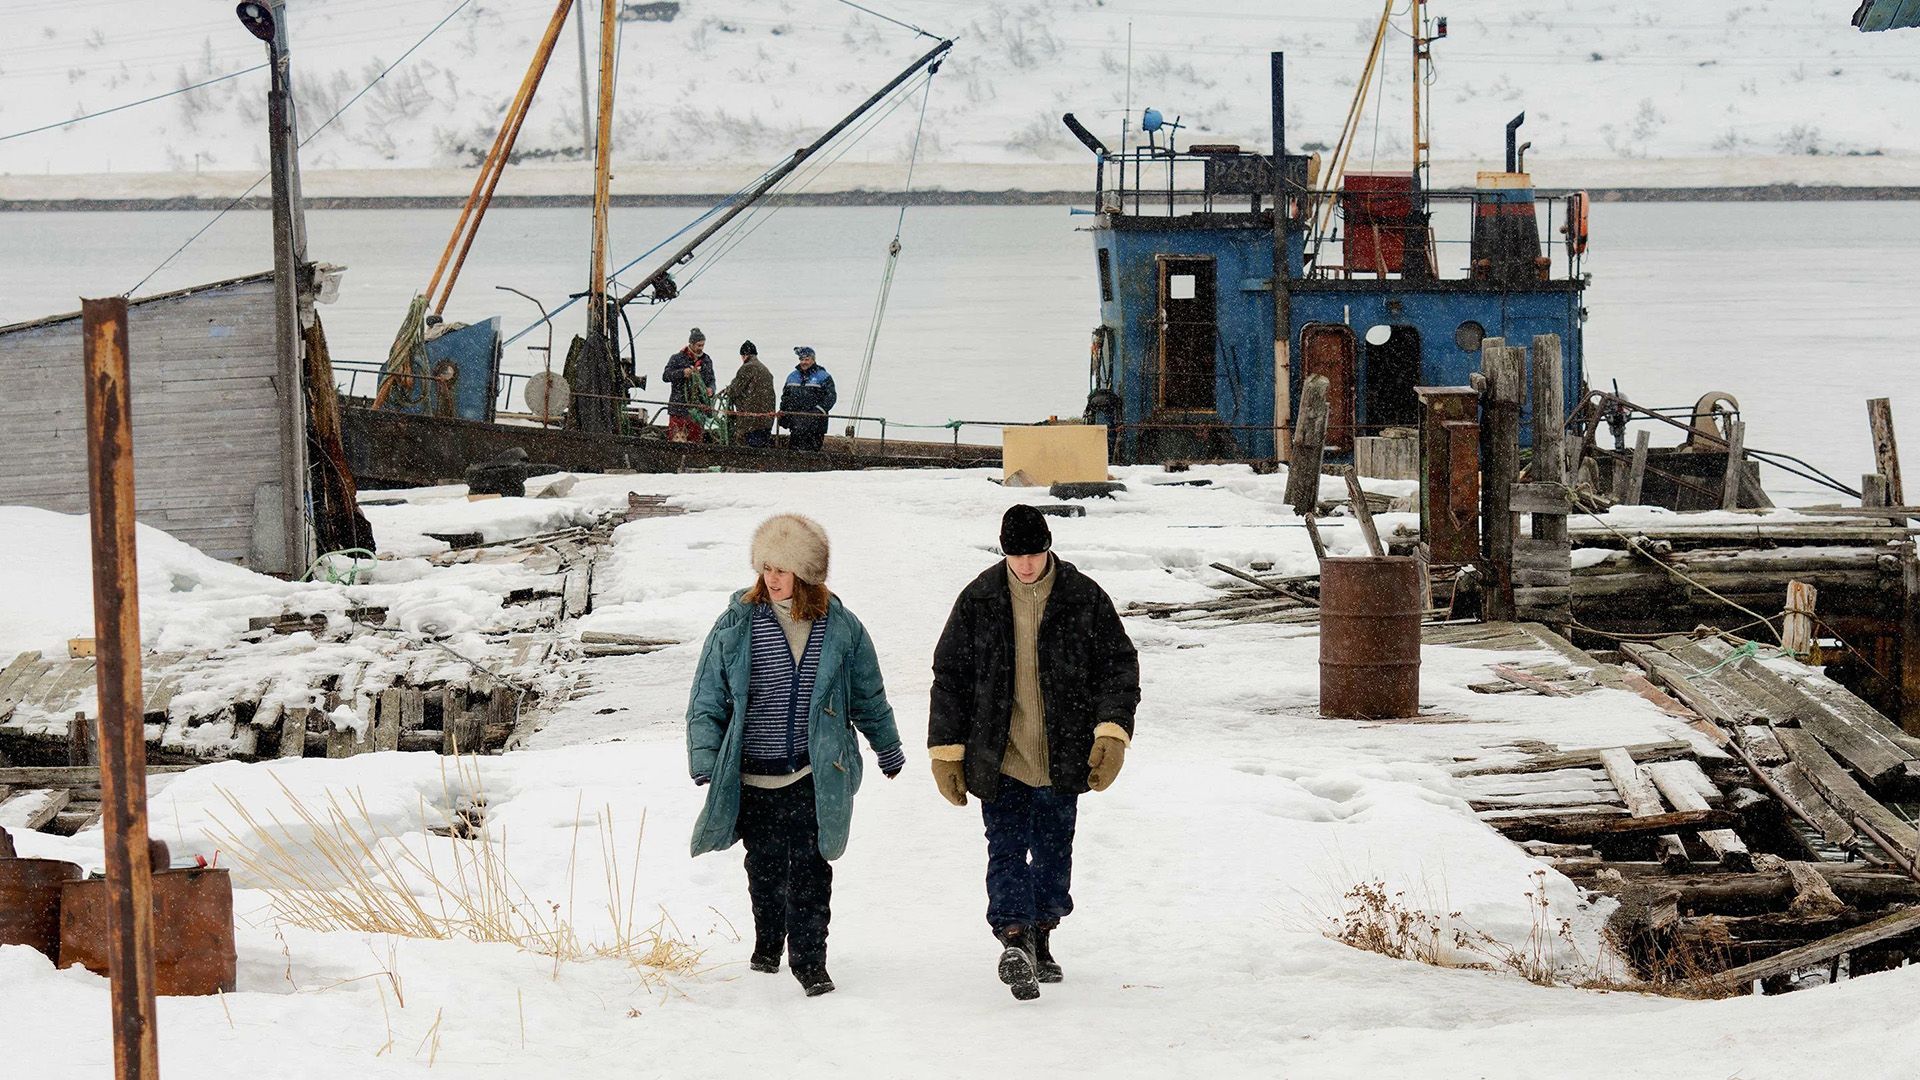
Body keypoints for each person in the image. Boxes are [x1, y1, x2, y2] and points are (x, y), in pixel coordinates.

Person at [686, 514, 906, 996]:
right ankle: (768, 943)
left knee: (810, 869)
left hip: (814, 771)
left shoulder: (841, 628)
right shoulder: (737, 624)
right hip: (754, 775)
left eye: (782, 569)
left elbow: (869, 694)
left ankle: (810, 961)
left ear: (805, 573)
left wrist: (886, 746)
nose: (772, 577)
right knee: (763, 868)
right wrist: (705, 757)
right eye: (766, 567)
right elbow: (708, 696)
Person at [927, 504, 1140, 1002]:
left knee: (1051, 853)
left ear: (1048, 547)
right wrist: (946, 750)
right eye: (1014, 554)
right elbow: (950, 678)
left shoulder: (1081, 596)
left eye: (1033, 553)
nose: (1024, 564)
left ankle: (1042, 934)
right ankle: (1015, 940)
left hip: (1064, 756)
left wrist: (1111, 732)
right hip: (999, 755)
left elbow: (1118, 667)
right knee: (1004, 850)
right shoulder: (979, 599)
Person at [663, 328, 716, 443]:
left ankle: (693, 461)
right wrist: (682, 373)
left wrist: (711, 389)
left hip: (697, 411)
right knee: (674, 442)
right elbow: (666, 376)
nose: (701, 348)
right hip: (678, 409)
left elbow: (711, 380)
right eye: (698, 345)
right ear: (691, 344)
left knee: (695, 443)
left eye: (703, 345)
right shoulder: (677, 358)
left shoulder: (706, 360)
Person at [779, 346, 837, 452]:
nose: (804, 362)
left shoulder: (823, 377)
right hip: (796, 424)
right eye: (801, 359)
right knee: (794, 453)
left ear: (813, 360)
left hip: (816, 425)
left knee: (812, 453)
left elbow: (831, 397)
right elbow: (785, 397)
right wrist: (784, 413)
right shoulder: (792, 376)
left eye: (807, 359)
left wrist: (817, 411)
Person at [722, 340, 777, 449]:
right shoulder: (765, 369)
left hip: (751, 421)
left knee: (750, 449)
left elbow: (734, 391)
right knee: (761, 448)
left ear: (744, 355)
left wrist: (728, 390)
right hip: (766, 419)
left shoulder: (747, 368)